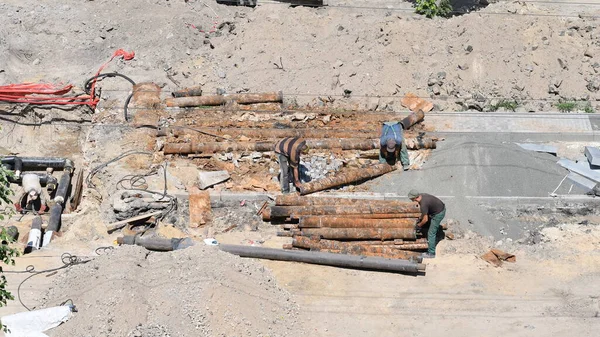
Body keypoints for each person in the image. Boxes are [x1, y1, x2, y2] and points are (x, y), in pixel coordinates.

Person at [408, 189, 446, 258]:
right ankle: (433, 233)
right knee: (428, 224)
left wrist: (419, 226)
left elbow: (425, 220)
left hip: (439, 213)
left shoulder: (424, 204)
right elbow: (424, 213)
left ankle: (431, 253)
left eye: (412, 199)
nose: (412, 201)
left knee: (431, 233)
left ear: (415, 198)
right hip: (438, 208)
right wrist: (420, 218)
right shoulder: (421, 196)